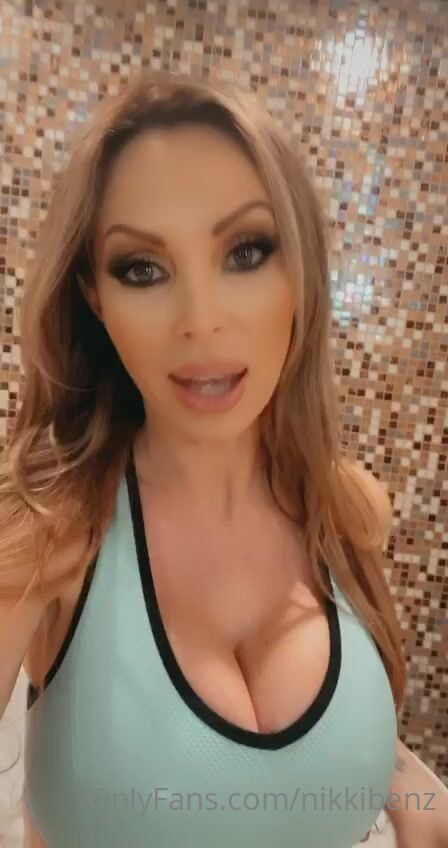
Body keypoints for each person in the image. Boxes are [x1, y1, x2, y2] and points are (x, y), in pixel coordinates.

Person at [0, 69, 446, 848]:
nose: (200, 321)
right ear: (95, 298)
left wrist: (423, 811)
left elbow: (360, 758)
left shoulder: (345, 508)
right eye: (142, 268)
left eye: (246, 251)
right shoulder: (46, 534)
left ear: (300, 272)